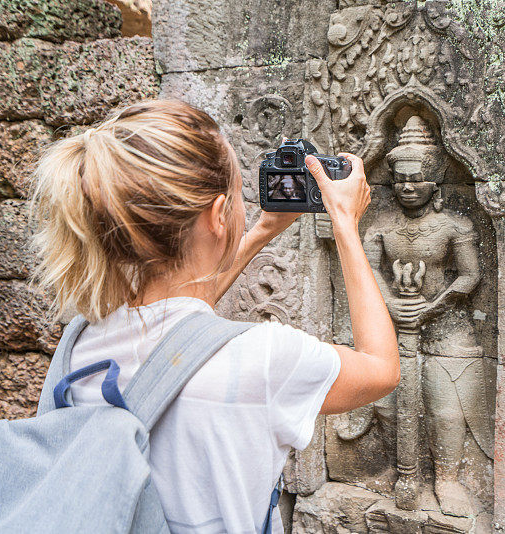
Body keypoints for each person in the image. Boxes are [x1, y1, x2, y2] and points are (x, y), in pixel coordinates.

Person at [30, 99, 399, 533]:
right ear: (218, 216)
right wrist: (344, 222)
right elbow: (381, 368)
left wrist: (261, 231)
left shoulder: (82, 341)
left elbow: (182, 327)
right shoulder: (263, 359)